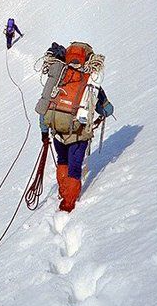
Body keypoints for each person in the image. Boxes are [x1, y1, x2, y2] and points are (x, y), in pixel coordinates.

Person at [38, 41, 113, 212]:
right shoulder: (90, 81)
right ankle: (68, 204)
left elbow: (44, 107)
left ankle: (63, 192)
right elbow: (108, 110)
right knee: (74, 167)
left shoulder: (59, 76)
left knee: (62, 160)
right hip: (78, 134)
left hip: (57, 132)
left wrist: (44, 133)